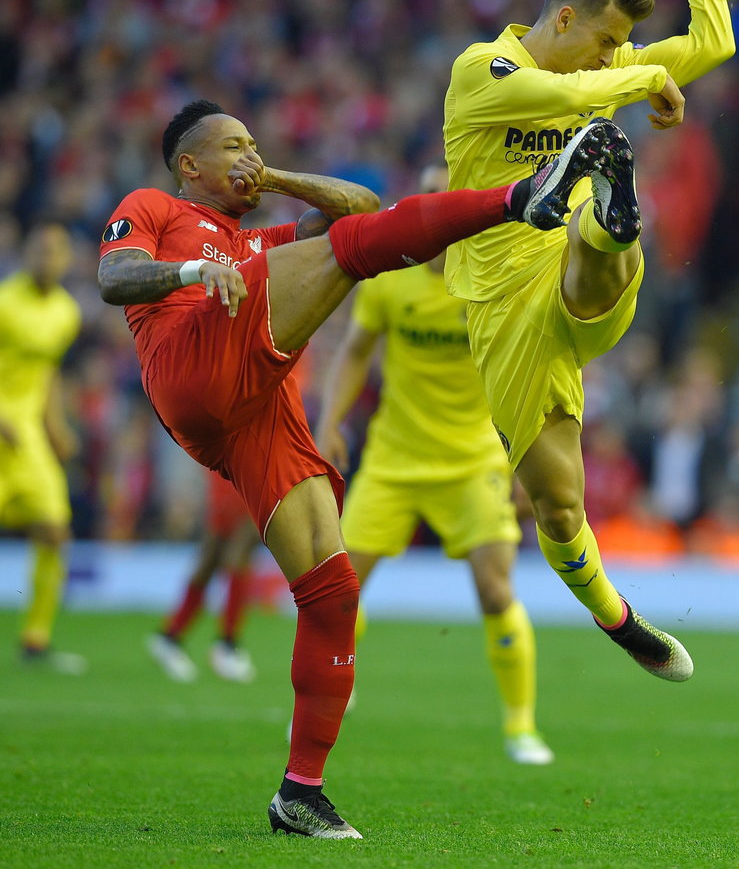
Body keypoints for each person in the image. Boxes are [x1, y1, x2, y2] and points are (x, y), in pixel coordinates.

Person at [97, 99, 612, 840]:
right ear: (190, 166)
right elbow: (116, 280)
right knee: (353, 251)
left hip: (251, 412)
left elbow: (359, 205)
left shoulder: (256, 239)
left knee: (334, 594)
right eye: (235, 146)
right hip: (189, 364)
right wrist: (188, 272)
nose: (250, 153)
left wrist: (271, 174)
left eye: (257, 143)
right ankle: (517, 199)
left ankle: (300, 793)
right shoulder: (151, 207)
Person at [442, 0, 736, 679]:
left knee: (588, 237)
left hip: (574, 272)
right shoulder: (481, 70)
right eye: (606, 40)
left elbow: (716, 40)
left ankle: (607, 204)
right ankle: (623, 623)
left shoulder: (605, 66)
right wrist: (643, 80)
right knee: (558, 506)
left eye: (622, 46)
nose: (613, 56)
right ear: (563, 19)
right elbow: (563, 97)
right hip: (502, 305)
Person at [316, 164, 554, 767]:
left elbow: (535, 367)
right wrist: (329, 423)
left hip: (472, 459)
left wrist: (530, 459)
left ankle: (521, 726)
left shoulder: (492, 279)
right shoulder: (388, 278)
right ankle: (335, 691)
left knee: (495, 588)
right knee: (340, 593)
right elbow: (355, 353)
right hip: (394, 458)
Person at [0, 222, 86, 675]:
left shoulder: (66, 313)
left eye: (56, 251)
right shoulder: (4, 302)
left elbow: (47, 373)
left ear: (67, 260)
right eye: (40, 249)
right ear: (26, 252)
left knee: (54, 530)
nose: (47, 259)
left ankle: (35, 639)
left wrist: (56, 425)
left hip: (27, 435)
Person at [148, 469, 261, 683]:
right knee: (240, 546)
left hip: (231, 467)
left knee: (213, 556)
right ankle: (227, 644)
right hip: (242, 468)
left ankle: (171, 636)